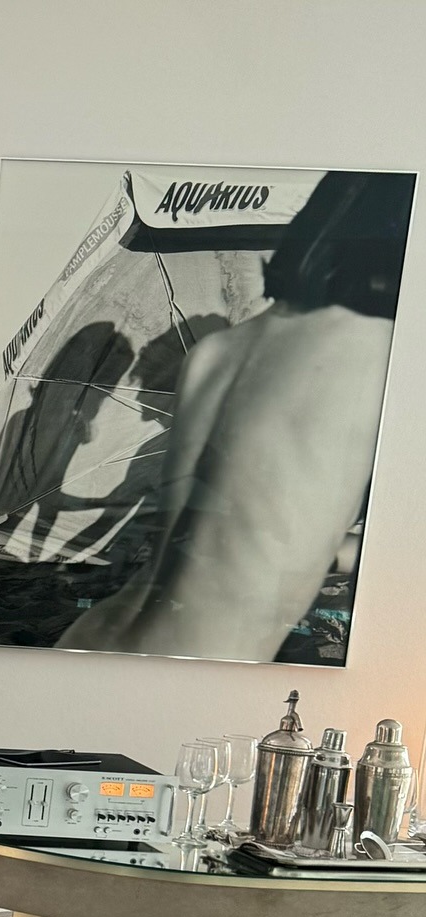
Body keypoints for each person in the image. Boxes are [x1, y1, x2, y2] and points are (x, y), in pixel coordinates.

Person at [58, 170, 413, 662]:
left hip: (92, 637)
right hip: (192, 666)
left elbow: (217, 521)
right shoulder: (389, 356)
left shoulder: (218, 351)